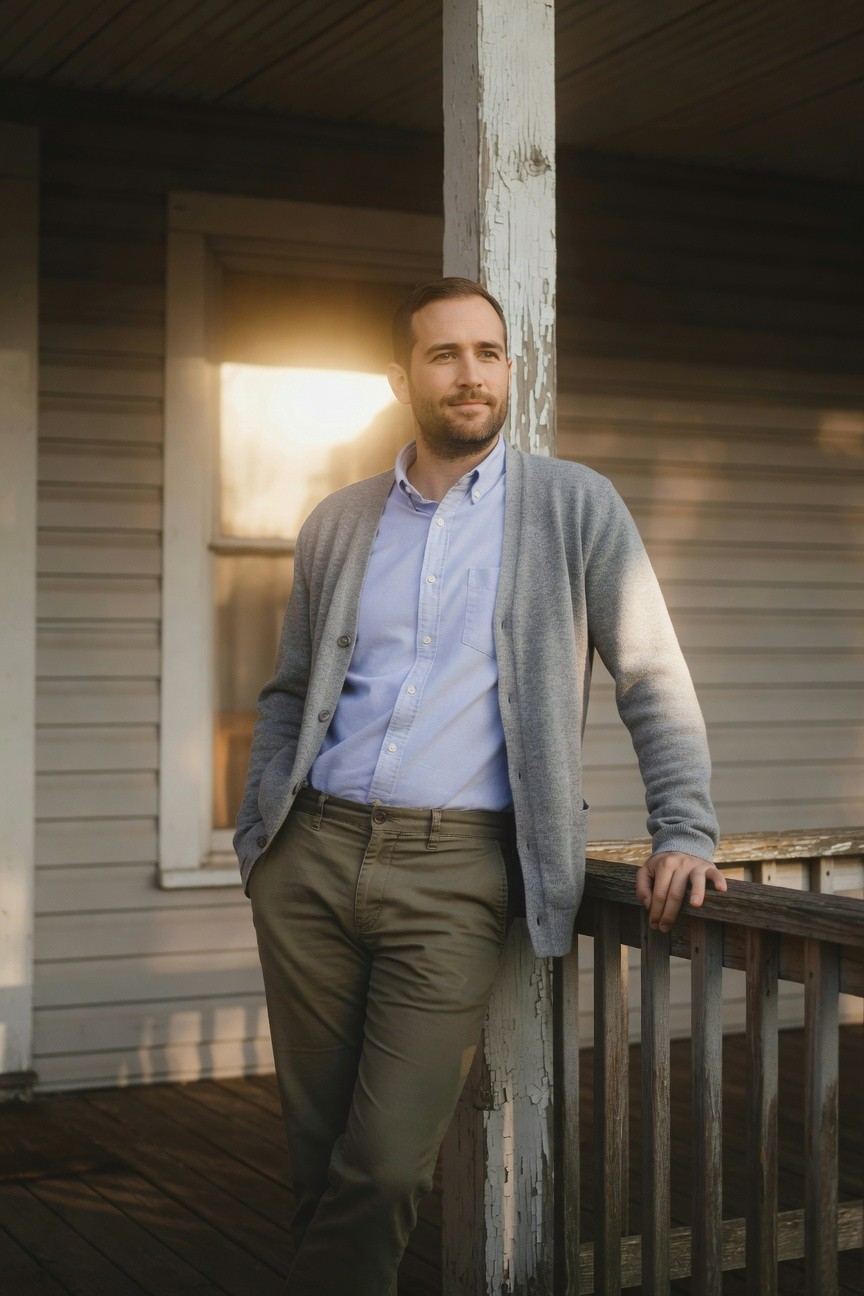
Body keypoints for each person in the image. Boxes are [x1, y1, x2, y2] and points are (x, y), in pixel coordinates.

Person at [234, 277, 725, 1295]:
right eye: (445, 354)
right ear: (401, 375)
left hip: (454, 875)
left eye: (489, 354)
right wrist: (261, 843)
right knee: (319, 1154)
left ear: (511, 370)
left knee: (379, 1166)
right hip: (312, 858)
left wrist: (686, 828)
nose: (470, 375)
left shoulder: (572, 506)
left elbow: (651, 674)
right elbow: (288, 694)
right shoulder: (339, 522)